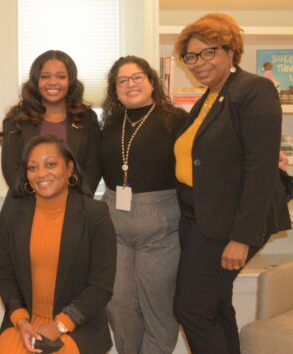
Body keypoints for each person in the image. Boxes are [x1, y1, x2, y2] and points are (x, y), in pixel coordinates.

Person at [173, 13, 290, 354]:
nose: (199, 63)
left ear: (230, 50)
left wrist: (241, 238)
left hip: (229, 225)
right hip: (201, 220)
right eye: (191, 56)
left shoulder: (254, 89)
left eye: (209, 52)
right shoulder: (211, 96)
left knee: (191, 308)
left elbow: (260, 169)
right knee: (215, 306)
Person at [0, 135, 117, 354]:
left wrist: (60, 324)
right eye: (33, 167)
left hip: (78, 325)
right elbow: (6, 276)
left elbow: (101, 286)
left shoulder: (95, 214)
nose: (41, 174)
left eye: (51, 164)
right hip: (25, 323)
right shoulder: (14, 214)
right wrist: (22, 322)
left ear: (70, 168)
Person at [99, 56, 188, 354]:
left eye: (137, 77)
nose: (130, 85)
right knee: (119, 302)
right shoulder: (110, 124)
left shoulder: (175, 118)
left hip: (161, 229)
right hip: (116, 227)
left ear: (151, 81)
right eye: (122, 81)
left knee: (158, 306)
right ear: (115, 89)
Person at [0, 50, 101, 194]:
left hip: (75, 208)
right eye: (45, 77)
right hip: (25, 207)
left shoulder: (87, 118)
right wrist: (41, 203)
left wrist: (69, 202)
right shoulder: (17, 119)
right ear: (36, 81)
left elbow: (92, 169)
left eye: (61, 77)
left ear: (70, 81)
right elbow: (11, 170)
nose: (53, 82)